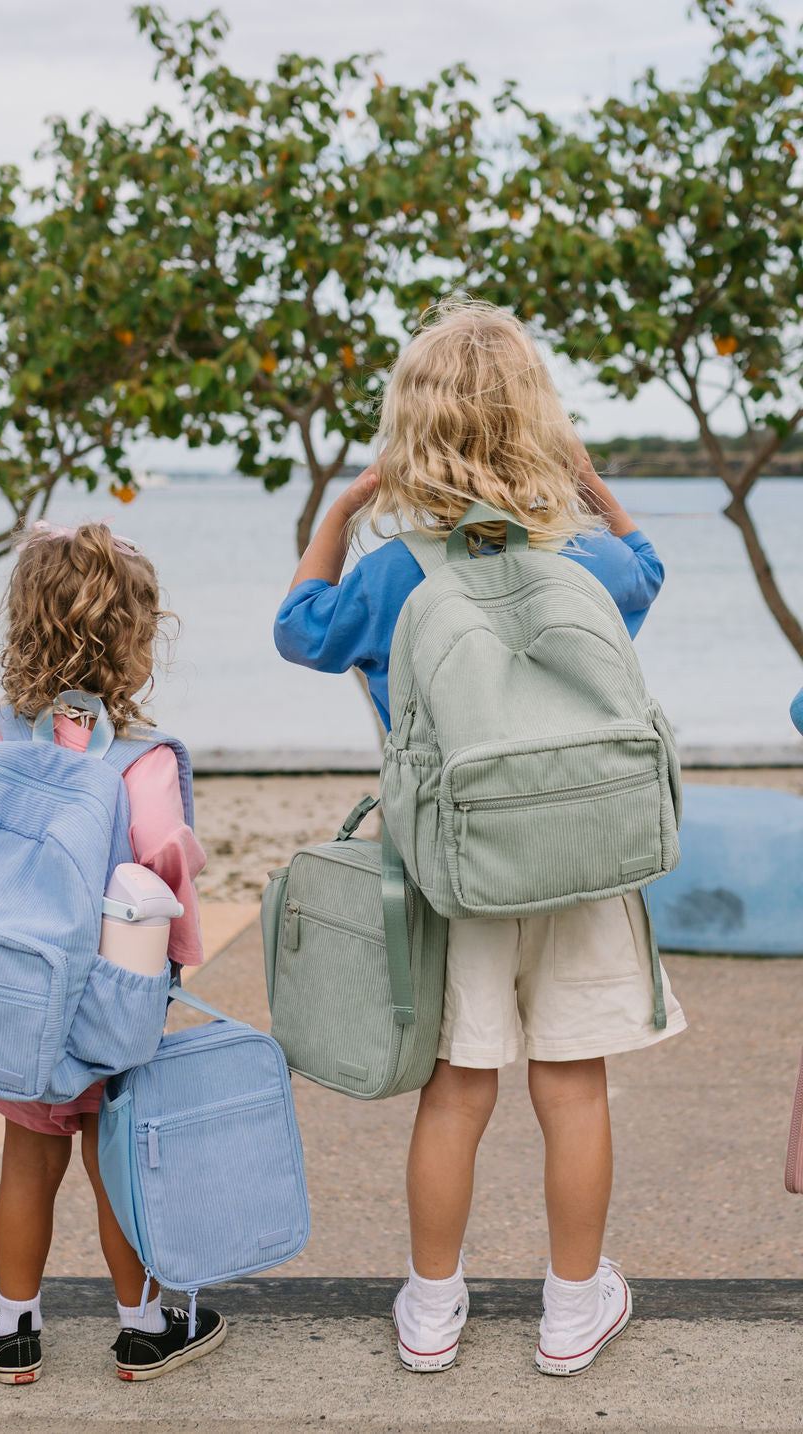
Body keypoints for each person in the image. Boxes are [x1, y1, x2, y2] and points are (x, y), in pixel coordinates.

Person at [273, 299, 687, 1377]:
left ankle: (431, 1307)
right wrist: (588, 483)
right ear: (542, 422)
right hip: (584, 854)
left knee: (456, 1089)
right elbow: (648, 570)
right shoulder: (585, 559)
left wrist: (343, 506)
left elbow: (298, 630)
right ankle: (571, 1309)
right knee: (573, 1083)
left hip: (449, 869)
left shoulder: (392, 572)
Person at [0, 521, 226, 1385]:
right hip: (101, 1012)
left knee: (28, 1165)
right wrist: (181, 949)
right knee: (115, 1169)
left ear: (22, 628)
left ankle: (14, 1331)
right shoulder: (140, 761)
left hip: (12, 1001)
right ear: (137, 641)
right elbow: (162, 861)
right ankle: (143, 1330)